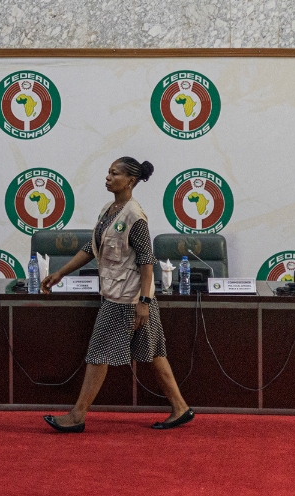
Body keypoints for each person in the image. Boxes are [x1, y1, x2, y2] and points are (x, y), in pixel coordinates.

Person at [40, 157, 194, 431]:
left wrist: (144, 302)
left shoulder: (134, 216)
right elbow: (91, 248)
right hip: (121, 295)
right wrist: (60, 273)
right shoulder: (109, 210)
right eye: (108, 172)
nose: (108, 177)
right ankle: (180, 407)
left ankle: (77, 416)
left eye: (114, 173)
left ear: (130, 181)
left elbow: (147, 260)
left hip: (129, 299)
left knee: (98, 353)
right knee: (154, 353)